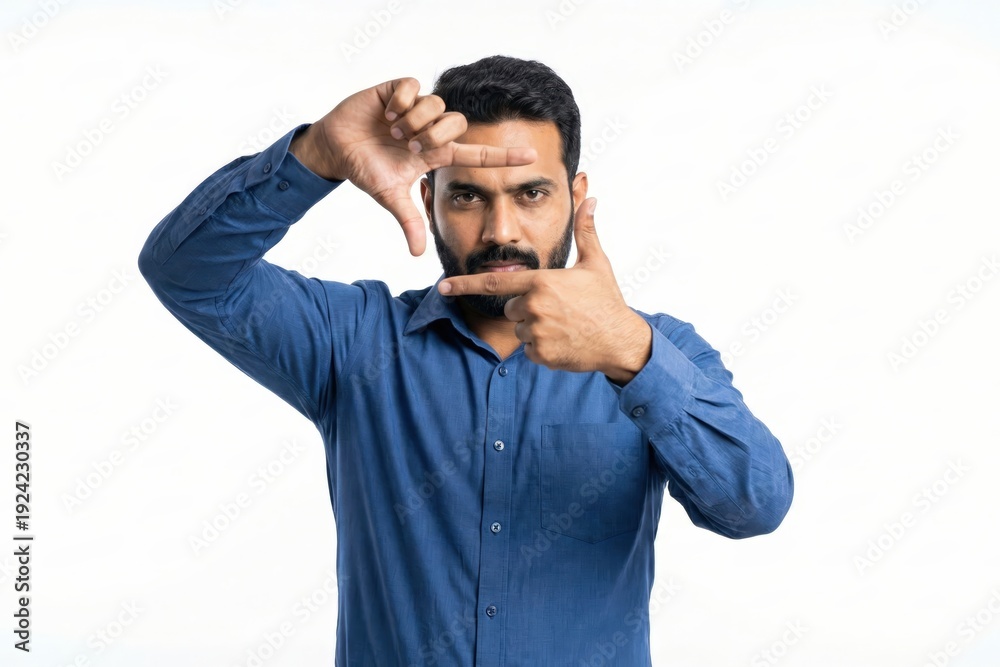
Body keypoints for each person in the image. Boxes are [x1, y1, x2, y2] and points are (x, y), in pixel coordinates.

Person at [139, 54, 793, 666]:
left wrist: (629, 352)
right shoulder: (353, 340)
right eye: (468, 196)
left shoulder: (657, 350)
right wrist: (316, 156)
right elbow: (185, 272)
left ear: (575, 196)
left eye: (531, 194)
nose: (501, 231)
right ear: (429, 200)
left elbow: (754, 506)